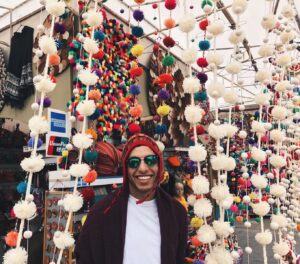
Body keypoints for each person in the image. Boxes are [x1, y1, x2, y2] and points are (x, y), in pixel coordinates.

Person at [75, 133, 188, 264]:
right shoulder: (102, 213)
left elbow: (179, 258)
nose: (143, 168)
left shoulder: (176, 213)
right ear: (126, 169)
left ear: (159, 165)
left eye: (150, 160)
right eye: (133, 163)